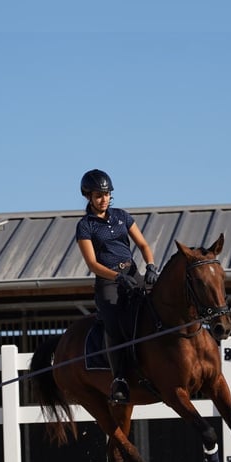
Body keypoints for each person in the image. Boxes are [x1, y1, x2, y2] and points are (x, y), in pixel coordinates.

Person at [76, 168, 159, 404]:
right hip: (108, 282)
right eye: (99, 195)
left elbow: (143, 245)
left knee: (155, 310)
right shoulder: (85, 226)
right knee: (113, 323)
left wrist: (151, 266)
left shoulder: (122, 216)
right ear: (88, 197)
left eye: (107, 194)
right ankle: (119, 378)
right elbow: (92, 263)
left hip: (133, 273)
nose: (104, 199)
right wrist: (116, 276)